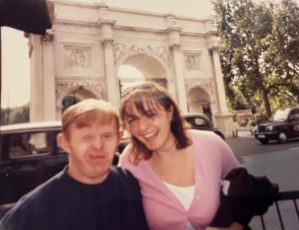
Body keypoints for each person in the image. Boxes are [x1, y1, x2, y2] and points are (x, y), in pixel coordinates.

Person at [0, 99, 148, 230]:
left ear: (118, 138)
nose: (98, 145)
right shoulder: (31, 213)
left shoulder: (132, 184)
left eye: (107, 136)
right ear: (64, 143)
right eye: (86, 137)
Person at [118, 81, 243, 230]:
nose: (142, 127)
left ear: (170, 112)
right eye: (132, 119)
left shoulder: (211, 144)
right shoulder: (130, 159)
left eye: (150, 115)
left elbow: (244, 193)